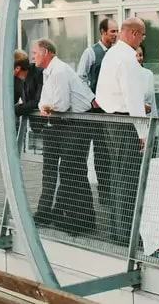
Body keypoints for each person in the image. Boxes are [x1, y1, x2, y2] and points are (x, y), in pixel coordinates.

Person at [31, 38, 96, 235]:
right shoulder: (49, 71)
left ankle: (80, 220)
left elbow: (59, 104)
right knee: (72, 171)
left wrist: (47, 108)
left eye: (35, 52)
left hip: (79, 122)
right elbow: (44, 102)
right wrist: (46, 107)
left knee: (72, 170)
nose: (33, 56)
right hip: (68, 123)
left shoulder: (58, 71)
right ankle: (73, 218)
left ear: (47, 52)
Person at [96, 17, 148, 245]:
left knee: (117, 177)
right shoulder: (128, 59)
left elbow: (100, 94)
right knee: (129, 180)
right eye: (143, 35)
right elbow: (133, 99)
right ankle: (128, 234)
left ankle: (118, 232)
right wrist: (143, 132)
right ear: (135, 34)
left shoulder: (111, 54)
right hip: (126, 123)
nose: (142, 40)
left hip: (110, 120)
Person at [75, 18, 116, 204]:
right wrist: (92, 98)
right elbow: (80, 77)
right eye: (112, 32)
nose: (115, 35)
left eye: (117, 31)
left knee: (109, 151)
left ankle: (111, 191)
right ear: (103, 32)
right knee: (100, 151)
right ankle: (104, 194)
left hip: (112, 108)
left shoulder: (117, 52)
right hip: (96, 109)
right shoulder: (91, 52)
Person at [12, 50, 40, 116]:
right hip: (31, 121)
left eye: (7, 66)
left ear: (17, 68)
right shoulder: (15, 78)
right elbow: (13, 99)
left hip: (47, 121)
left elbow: (37, 101)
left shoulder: (39, 73)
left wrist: (16, 109)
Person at [135, 44, 155, 114]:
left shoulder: (149, 74)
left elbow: (153, 102)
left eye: (140, 55)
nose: (138, 58)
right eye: (135, 55)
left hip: (147, 119)